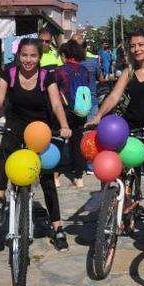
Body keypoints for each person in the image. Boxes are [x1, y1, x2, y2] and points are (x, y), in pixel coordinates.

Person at [0, 38, 72, 252]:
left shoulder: (46, 77)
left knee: (46, 177)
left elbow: (55, 103)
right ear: (18, 56)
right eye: (24, 55)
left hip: (40, 129)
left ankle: (57, 227)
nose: (28, 60)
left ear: (39, 57)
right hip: (15, 125)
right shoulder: (10, 73)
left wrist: (64, 125)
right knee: (6, 148)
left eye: (33, 55)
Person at [87, 28, 144, 212]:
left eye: (141, 45)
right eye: (132, 46)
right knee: (116, 168)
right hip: (129, 125)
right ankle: (119, 205)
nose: (136, 49)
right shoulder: (128, 72)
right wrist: (99, 116)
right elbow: (113, 97)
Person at [52, 40, 94, 188]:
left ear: (64, 54)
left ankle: (55, 176)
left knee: (58, 141)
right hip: (80, 111)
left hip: (63, 111)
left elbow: (54, 92)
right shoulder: (84, 71)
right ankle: (78, 177)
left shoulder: (60, 71)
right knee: (77, 143)